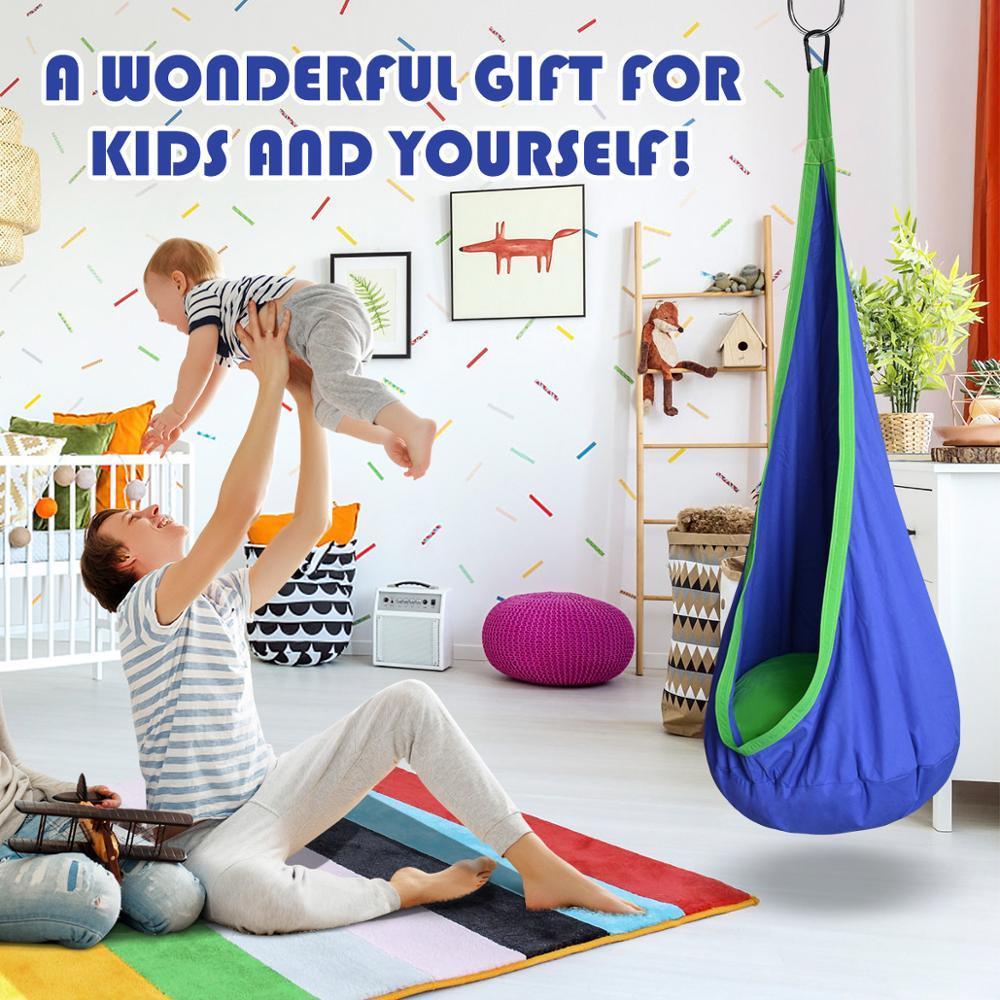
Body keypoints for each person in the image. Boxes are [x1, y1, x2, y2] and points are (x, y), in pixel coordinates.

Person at [80, 299, 640, 935]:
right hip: (207, 838)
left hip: (273, 792)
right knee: (255, 901)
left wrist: (303, 396)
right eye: (133, 518)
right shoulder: (144, 609)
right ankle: (401, 892)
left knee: (410, 701)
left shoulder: (221, 597)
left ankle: (536, 862)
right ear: (126, 559)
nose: (149, 509)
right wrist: (266, 384)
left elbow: (311, 523)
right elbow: (235, 515)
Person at [140, 237, 436, 478]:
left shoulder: (201, 297)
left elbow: (197, 362)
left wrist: (176, 410)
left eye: (156, 304)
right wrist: (182, 425)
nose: (160, 318)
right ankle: (387, 434)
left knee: (336, 385)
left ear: (179, 282)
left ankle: (413, 424)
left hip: (316, 311)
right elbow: (211, 381)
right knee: (327, 409)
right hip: (320, 328)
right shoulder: (223, 326)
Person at [0, 692, 205, 948]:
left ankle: (63, 897)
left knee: (179, 899)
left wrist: (80, 795)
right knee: (95, 896)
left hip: (33, 815)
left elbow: (14, 765)